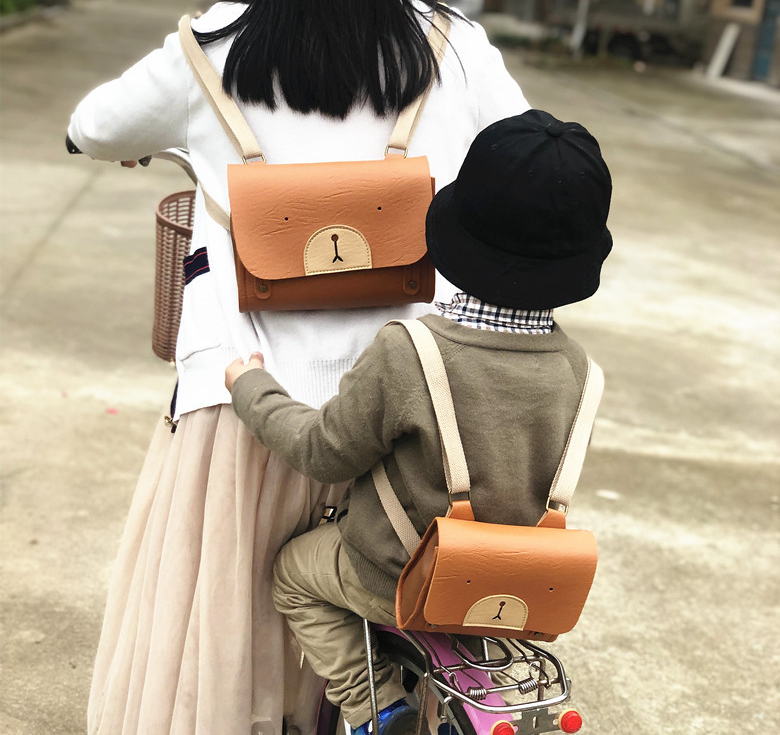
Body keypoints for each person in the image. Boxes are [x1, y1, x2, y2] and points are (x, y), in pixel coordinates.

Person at [67, 0, 530, 733]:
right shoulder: (456, 48)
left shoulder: (210, 51)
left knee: (225, 629)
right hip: (407, 407)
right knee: (385, 608)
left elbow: (93, 126)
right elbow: (524, 154)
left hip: (245, 403)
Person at [224, 110, 613, 734]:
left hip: (392, 573)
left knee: (294, 574)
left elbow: (324, 453)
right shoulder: (581, 372)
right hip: (508, 585)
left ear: (457, 234)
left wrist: (251, 388)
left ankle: (374, 703)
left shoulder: (410, 352)